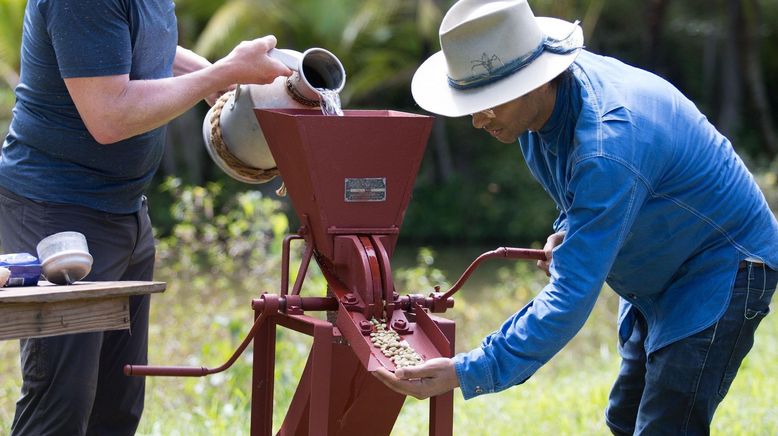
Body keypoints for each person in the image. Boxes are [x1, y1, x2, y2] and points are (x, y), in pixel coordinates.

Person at [373, 0, 778, 434]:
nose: (477, 119)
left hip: (723, 263)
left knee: (666, 424)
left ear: (536, 80)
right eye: (470, 100)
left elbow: (569, 298)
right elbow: (582, 199)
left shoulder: (607, 143)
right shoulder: (532, 119)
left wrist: (465, 371)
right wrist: (568, 229)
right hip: (656, 264)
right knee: (625, 418)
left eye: (489, 101)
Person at [0, 1, 292, 434]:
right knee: (61, 405)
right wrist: (223, 73)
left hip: (126, 210)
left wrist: (211, 75)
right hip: (58, 210)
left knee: (118, 405)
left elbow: (141, 45)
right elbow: (109, 118)